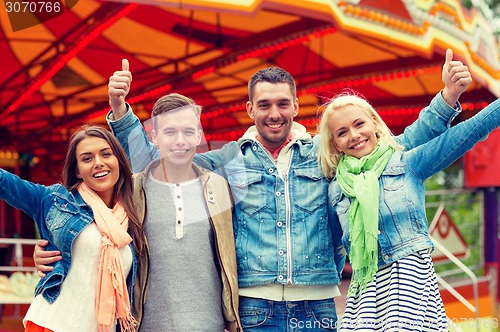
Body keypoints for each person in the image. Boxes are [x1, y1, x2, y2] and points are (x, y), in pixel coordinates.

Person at [36, 49, 470, 331]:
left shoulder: (327, 155)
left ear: (297, 106)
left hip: (319, 307)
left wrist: (448, 98)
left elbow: (400, 147)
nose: (274, 113)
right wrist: (121, 112)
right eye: (264, 104)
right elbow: (158, 158)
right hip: (255, 310)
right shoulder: (226, 160)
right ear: (250, 109)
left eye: (283, 103)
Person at [35, 60, 242, 332]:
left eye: (188, 131)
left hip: (211, 325)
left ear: (200, 135)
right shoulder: (130, 190)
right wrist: (52, 250)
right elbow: (86, 225)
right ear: (153, 137)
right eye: (169, 132)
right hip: (143, 326)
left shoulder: (220, 187)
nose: (179, 140)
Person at [318, 84, 499, 331]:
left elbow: (470, 130)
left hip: (409, 278)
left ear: (374, 124)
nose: (354, 135)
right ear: (336, 144)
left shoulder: (407, 163)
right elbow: (337, 248)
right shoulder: (336, 189)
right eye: (342, 132)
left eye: (359, 124)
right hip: (365, 288)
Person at [1, 125, 144, 332]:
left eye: (106, 154)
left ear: (119, 161)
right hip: (54, 323)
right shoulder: (54, 200)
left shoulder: (135, 214)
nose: (98, 163)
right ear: (77, 170)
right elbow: (5, 183)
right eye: (87, 158)